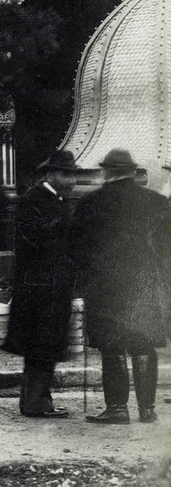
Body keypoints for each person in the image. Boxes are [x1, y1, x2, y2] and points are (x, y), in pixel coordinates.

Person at [69, 148, 171, 424]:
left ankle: (117, 408)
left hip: (107, 289)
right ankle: (147, 410)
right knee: (143, 346)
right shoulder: (157, 202)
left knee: (112, 348)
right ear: (132, 171)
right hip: (145, 287)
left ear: (106, 171)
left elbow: (76, 248)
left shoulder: (91, 203)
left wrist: (86, 277)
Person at [2, 149, 80, 418]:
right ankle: (37, 403)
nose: (71, 181)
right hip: (40, 288)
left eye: (72, 176)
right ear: (49, 174)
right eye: (65, 175)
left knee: (44, 346)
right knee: (41, 346)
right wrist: (69, 221)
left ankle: (35, 400)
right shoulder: (33, 199)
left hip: (49, 287)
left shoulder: (54, 199)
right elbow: (36, 240)